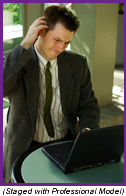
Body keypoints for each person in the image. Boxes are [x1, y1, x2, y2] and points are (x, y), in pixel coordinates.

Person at [3, 5, 100, 183]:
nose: (60, 47)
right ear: (40, 32)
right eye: (56, 39)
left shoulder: (78, 63)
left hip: (65, 144)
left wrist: (88, 132)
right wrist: (25, 43)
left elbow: (89, 105)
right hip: (24, 148)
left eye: (66, 42)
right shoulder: (15, 60)